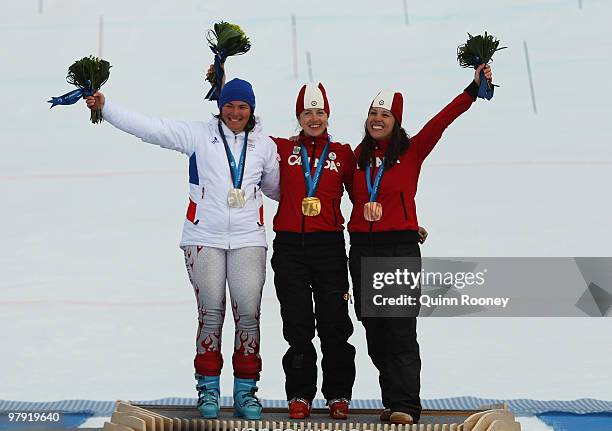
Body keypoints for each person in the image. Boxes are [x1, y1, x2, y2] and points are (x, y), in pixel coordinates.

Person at [84, 78, 280, 420]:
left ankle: (247, 391)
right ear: (221, 107)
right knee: (211, 313)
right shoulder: (198, 136)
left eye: (242, 107)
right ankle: (208, 389)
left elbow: (280, 188)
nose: (235, 113)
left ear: (252, 110)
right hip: (203, 238)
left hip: (249, 238)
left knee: (248, 315)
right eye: (230, 106)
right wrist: (106, 107)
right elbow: (150, 128)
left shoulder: (265, 146)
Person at [347, 64, 493, 425]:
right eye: (373, 113)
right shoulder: (355, 158)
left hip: (398, 249)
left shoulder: (411, 150)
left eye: (385, 115)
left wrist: (472, 89)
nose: (377, 119)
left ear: (396, 121)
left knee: (399, 328)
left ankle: (406, 405)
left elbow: (442, 121)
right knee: (374, 329)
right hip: (363, 248)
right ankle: (392, 398)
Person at [270, 83, 357, 420]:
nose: (314, 118)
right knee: (297, 324)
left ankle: (338, 394)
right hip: (289, 246)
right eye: (307, 112)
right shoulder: (283, 149)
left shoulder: (343, 153)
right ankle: (300, 394)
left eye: (320, 112)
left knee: (335, 323)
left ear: (328, 115)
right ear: (299, 117)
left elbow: (365, 193)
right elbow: (243, 125)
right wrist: (218, 78)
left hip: (329, 247)